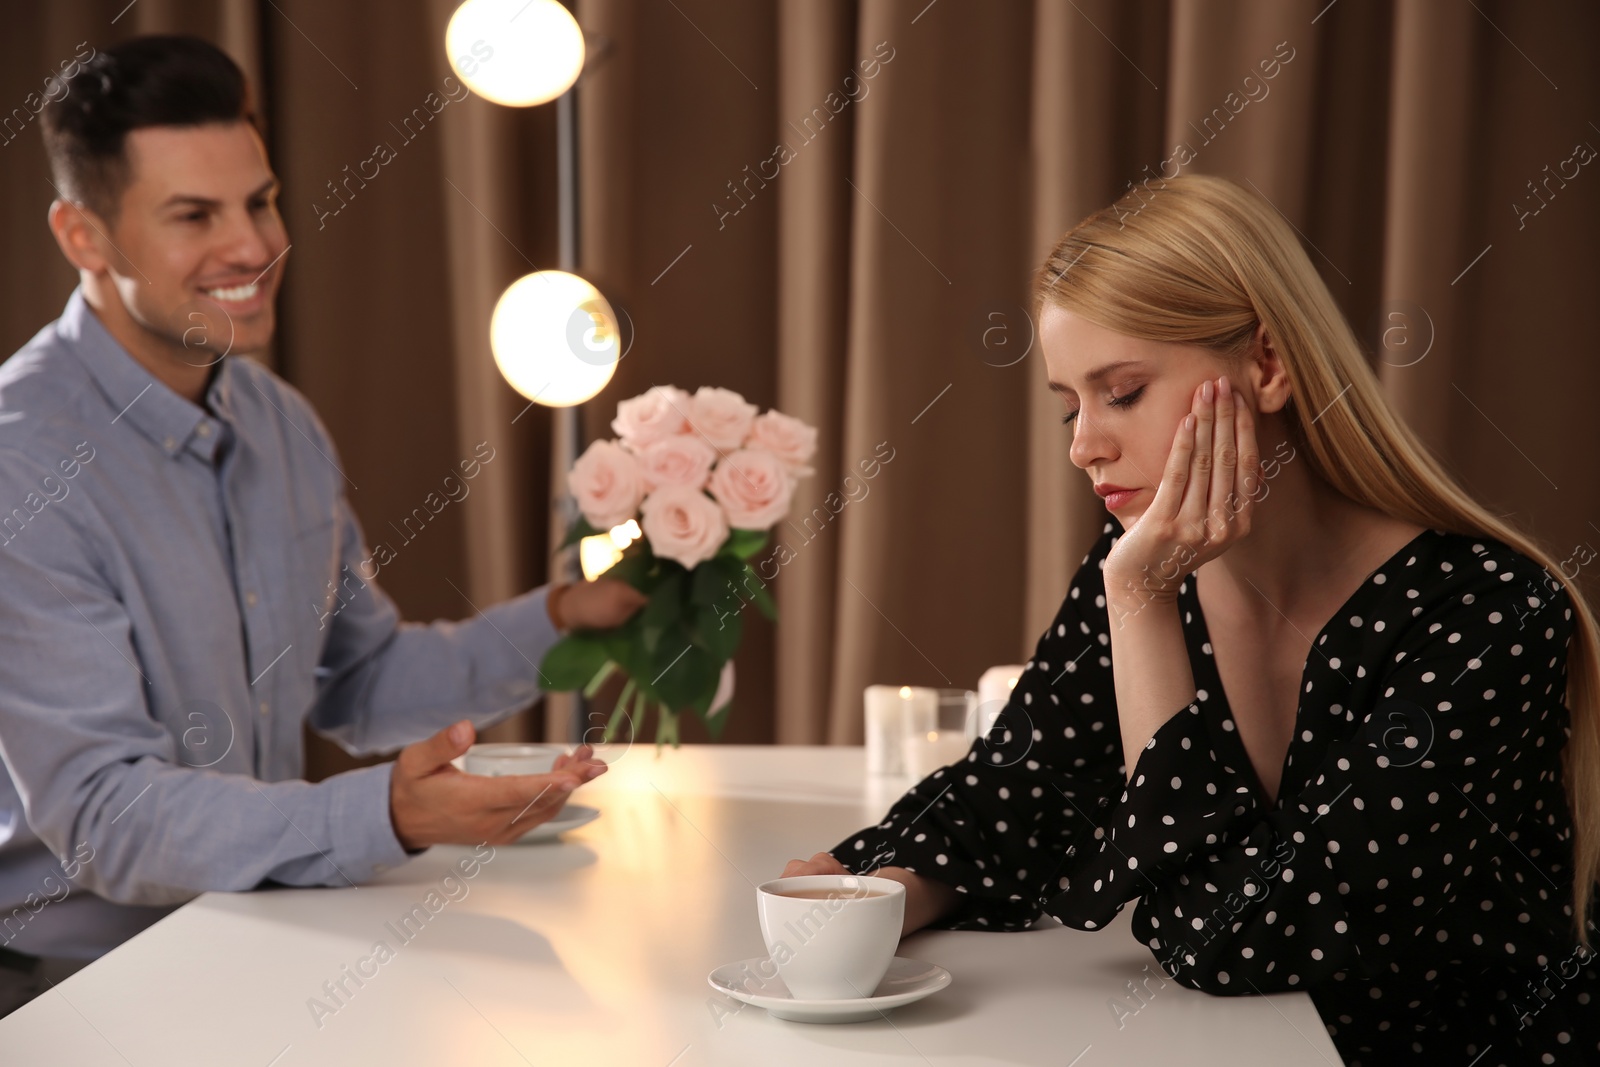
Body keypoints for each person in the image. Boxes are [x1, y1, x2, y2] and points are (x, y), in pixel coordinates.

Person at [784, 174, 1600, 1065]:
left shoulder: (1490, 611)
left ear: (1269, 365)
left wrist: (1139, 606)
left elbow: (1241, 939)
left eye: (1123, 392)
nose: (1082, 444)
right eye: (1069, 404)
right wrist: (879, 890)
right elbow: (1019, 792)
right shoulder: (1140, 560)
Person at [0, 34, 647, 1011]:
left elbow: (362, 678)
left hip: (254, 933)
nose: (255, 246)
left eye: (259, 201)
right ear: (84, 237)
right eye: (194, 215)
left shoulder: (276, 422)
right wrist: (381, 812)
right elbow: (104, 814)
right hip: (67, 992)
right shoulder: (21, 464)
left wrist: (563, 618)